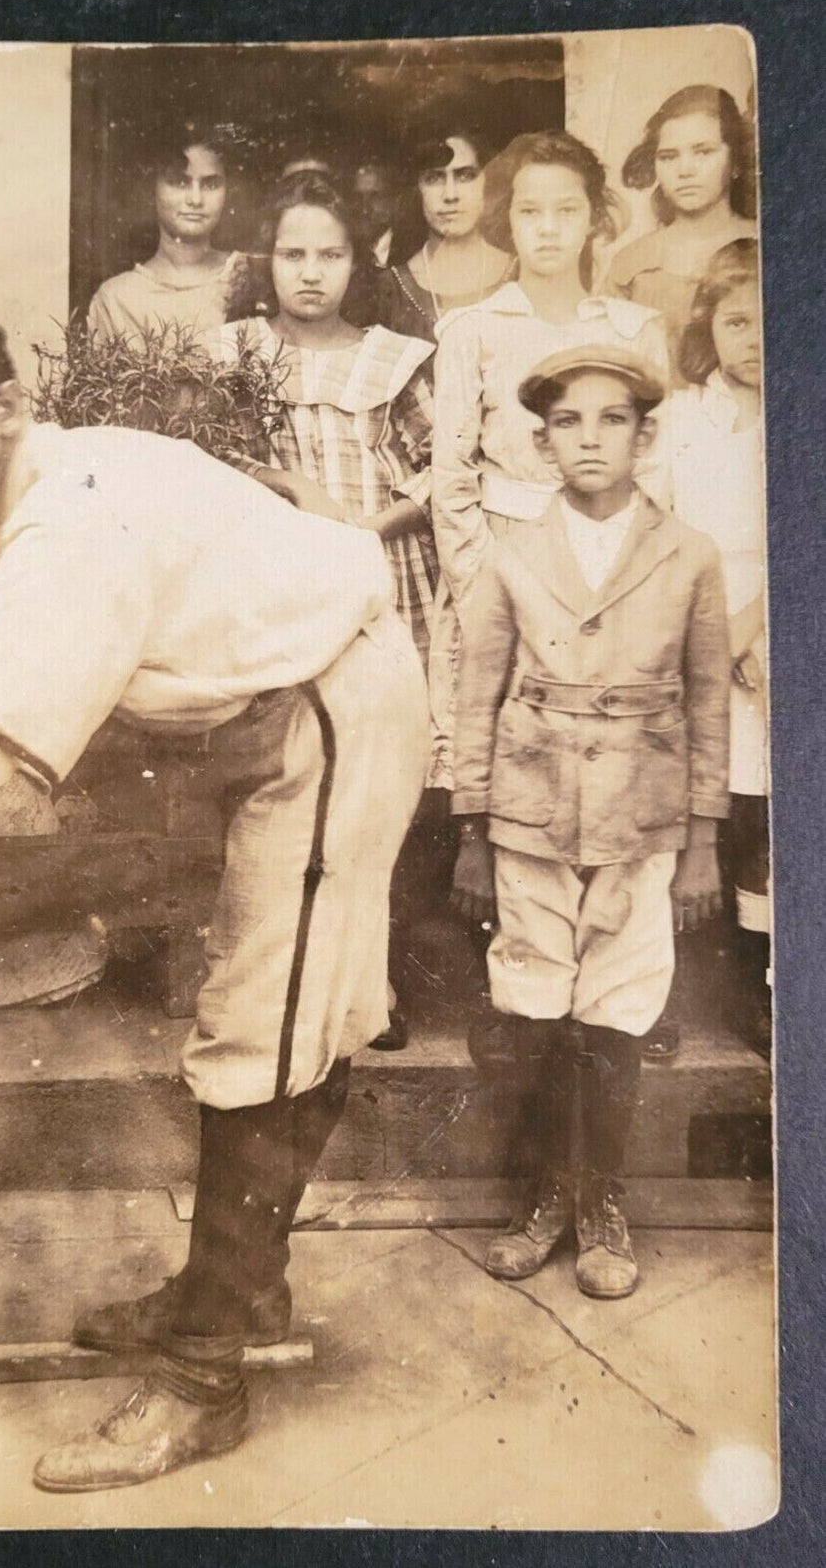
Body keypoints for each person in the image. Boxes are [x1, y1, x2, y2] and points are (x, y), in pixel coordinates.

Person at [0, 300, 429, 1492]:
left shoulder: (72, 522)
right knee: (279, 1012)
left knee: (262, 1028)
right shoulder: (62, 467)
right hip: (300, 693)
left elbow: (3, 782)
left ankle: (203, 1375)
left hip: (329, 710)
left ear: (11, 406)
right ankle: (240, 1281)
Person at [449, 345, 730, 1298]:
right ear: (542, 442)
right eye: (569, 422)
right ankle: (543, 1196)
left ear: (645, 436)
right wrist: (472, 832)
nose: (591, 439)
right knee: (531, 1004)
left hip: (642, 818)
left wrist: (702, 841)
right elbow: (477, 692)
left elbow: (706, 701)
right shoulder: (514, 552)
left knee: (617, 1005)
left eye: (612, 419)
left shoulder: (689, 554)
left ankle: (603, 1201)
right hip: (531, 810)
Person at [216, 172, 440, 1051]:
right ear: (265, 260)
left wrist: (362, 529)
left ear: (361, 259)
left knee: (377, 787)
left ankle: (368, 988)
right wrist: (292, 504)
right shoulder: (232, 353)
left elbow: (440, 474)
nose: (311, 272)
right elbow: (218, 464)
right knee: (300, 781)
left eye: (331, 254)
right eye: (293, 253)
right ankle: (288, 982)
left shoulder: (394, 358)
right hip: (284, 592)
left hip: (383, 585)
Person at [430, 130, 669, 794]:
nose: (549, 229)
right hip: (503, 556)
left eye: (566, 211)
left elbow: (653, 473)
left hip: (607, 562)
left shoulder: (633, 330)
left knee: (598, 753)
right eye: (531, 212)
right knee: (504, 749)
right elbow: (451, 476)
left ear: (595, 218)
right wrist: (481, 586)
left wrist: (629, 582)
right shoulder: (474, 330)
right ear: (507, 219)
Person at [666, 240, 770, 1054]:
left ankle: (763, 989)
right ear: (711, 324)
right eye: (738, 321)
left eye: (773, 322)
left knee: (764, 809)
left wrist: (761, 623)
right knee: (690, 796)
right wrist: (716, 630)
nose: (756, 339)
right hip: (694, 617)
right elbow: (665, 534)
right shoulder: (680, 419)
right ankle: (658, 992)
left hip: (777, 623)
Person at [603, 86, 757, 368]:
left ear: (735, 162)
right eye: (669, 156)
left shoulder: (761, 244)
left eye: (703, 152)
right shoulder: (631, 263)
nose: (685, 170)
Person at [86, 122, 253, 344]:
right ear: (152, 188)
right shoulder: (116, 299)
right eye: (179, 182)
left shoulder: (252, 276)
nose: (195, 199)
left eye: (211, 184)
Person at [376, 127, 512, 345]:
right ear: (416, 189)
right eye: (434, 178)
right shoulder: (389, 292)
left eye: (466, 176)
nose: (450, 195)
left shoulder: (521, 274)